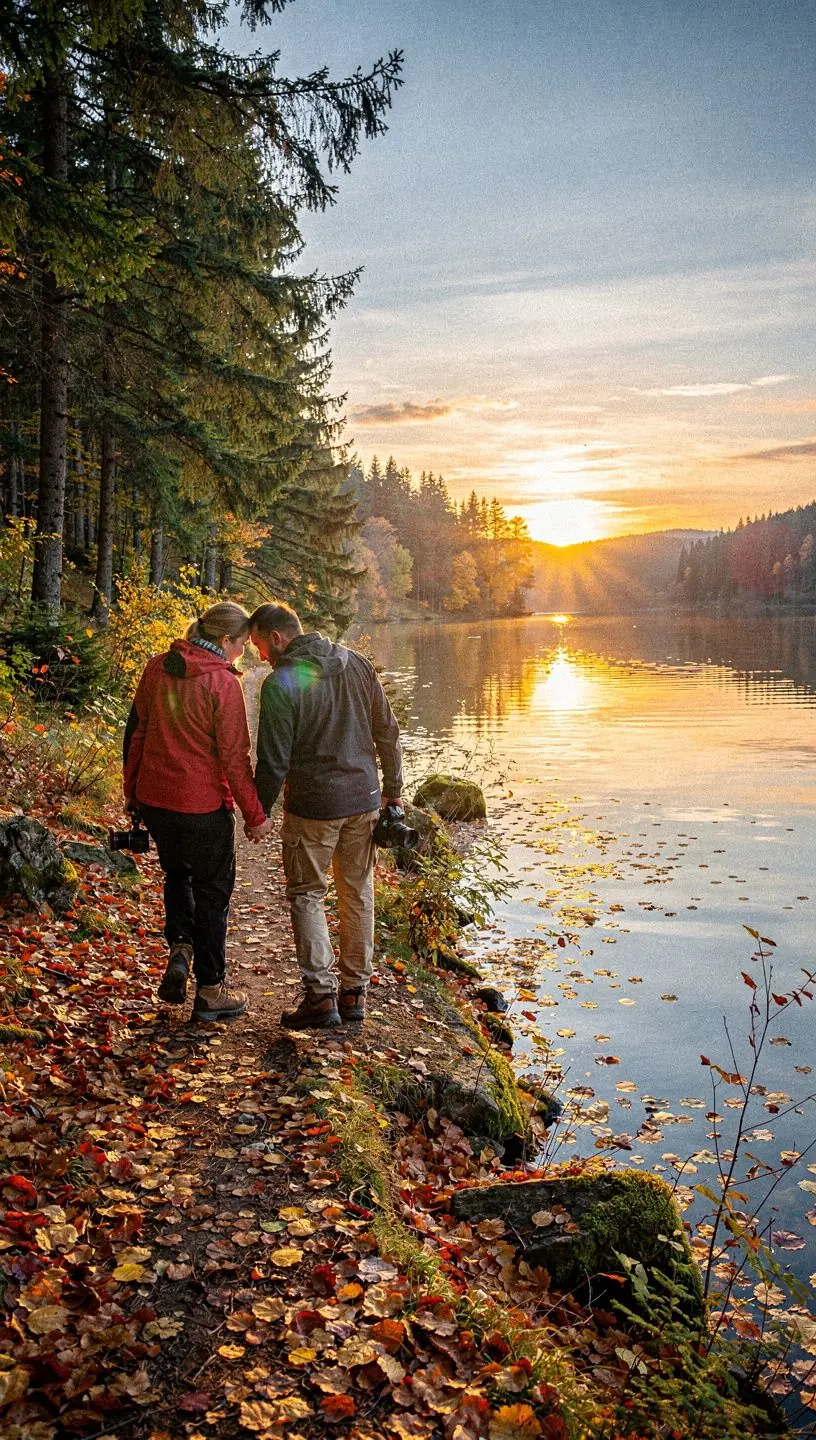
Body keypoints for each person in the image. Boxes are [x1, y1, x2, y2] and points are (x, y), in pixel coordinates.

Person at [250, 602, 403, 1029]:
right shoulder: (356, 663)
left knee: (307, 893)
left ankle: (320, 995)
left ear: (278, 638)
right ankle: (354, 993)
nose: (261, 655)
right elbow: (387, 732)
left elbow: (273, 762)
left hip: (314, 808)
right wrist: (394, 794)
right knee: (357, 892)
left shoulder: (281, 682)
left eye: (261, 645)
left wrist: (258, 812)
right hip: (364, 801)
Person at [123, 601, 272, 1021]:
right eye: (242, 644)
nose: (243, 652)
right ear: (225, 641)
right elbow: (235, 759)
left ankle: (181, 946)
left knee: (177, 875)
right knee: (212, 889)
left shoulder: (158, 667)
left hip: (156, 801)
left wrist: (130, 790)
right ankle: (210, 989)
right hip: (203, 807)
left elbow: (137, 731)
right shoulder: (223, 684)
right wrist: (255, 815)